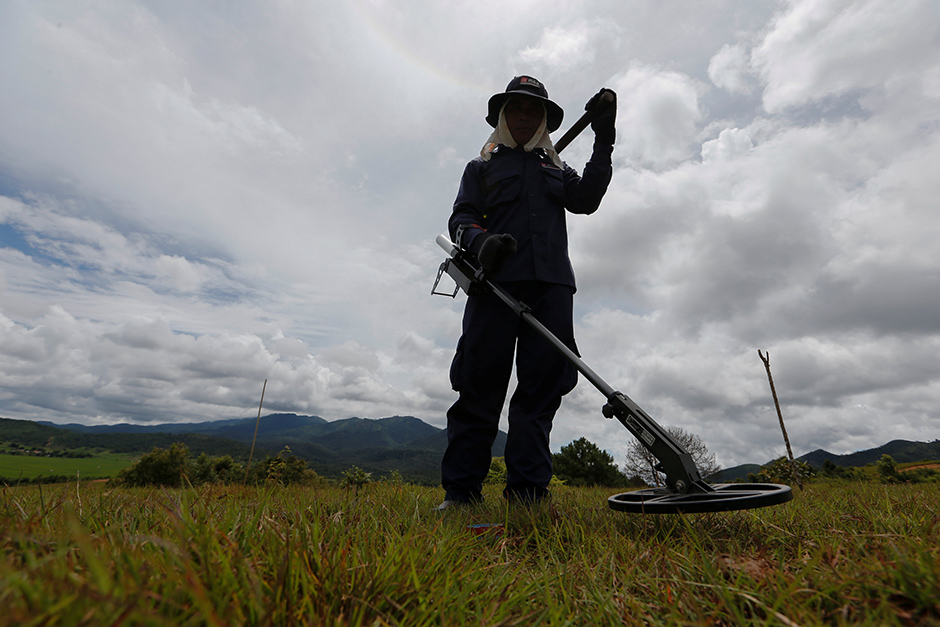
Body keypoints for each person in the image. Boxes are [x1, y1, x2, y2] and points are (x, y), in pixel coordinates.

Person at [439, 75, 616, 508]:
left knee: (539, 395)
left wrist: (604, 139)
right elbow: (461, 219)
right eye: (515, 109)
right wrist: (481, 242)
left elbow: (587, 199)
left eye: (533, 110)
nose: (524, 116)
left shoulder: (556, 168)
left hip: (552, 289)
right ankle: (461, 495)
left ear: (543, 121)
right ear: (502, 116)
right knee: (479, 390)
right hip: (493, 289)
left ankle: (528, 496)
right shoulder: (480, 168)